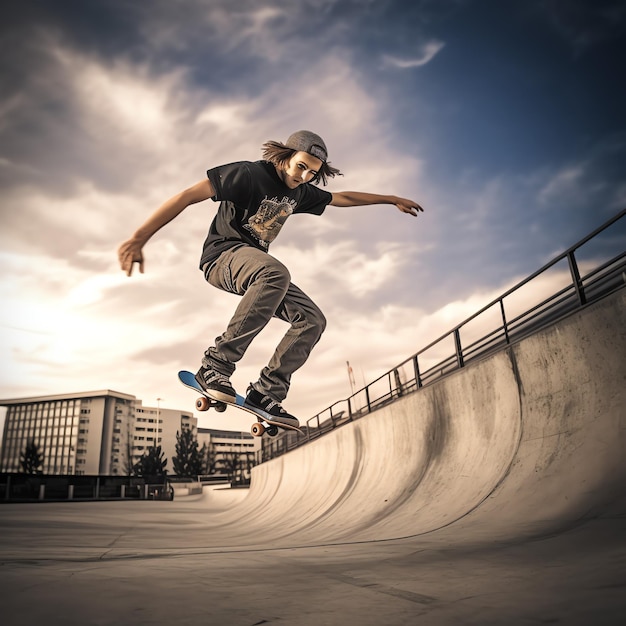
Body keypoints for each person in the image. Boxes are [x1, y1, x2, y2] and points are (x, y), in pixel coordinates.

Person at [118, 130, 423, 427]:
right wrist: (138, 238)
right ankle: (215, 365)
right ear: (285, 157)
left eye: (312, 173)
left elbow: (341, 197)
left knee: (312, 319)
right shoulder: (249, 174)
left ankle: (265, 392)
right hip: (222, 258)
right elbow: (187, 196)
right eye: (300, 166)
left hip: (259, 272)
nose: (303, 177)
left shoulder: (300, 191)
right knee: (275, 271)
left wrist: (389, 198)